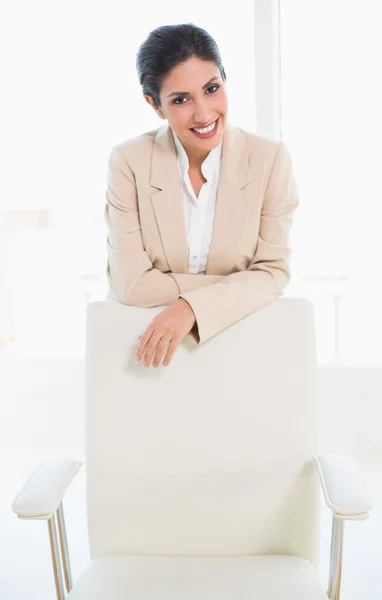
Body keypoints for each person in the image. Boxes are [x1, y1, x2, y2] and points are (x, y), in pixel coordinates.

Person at [104, 23, 299, 369]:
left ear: (224, 78)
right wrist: (241, 285)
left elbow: (273, 273)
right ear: (155, 106)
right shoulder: (129, 163)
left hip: (241, 350)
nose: (204, 114)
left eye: (212, 88)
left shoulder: (269, 160)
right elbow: (131, 285)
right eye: (181, 100)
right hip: (141, 352)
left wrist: (190, 308)